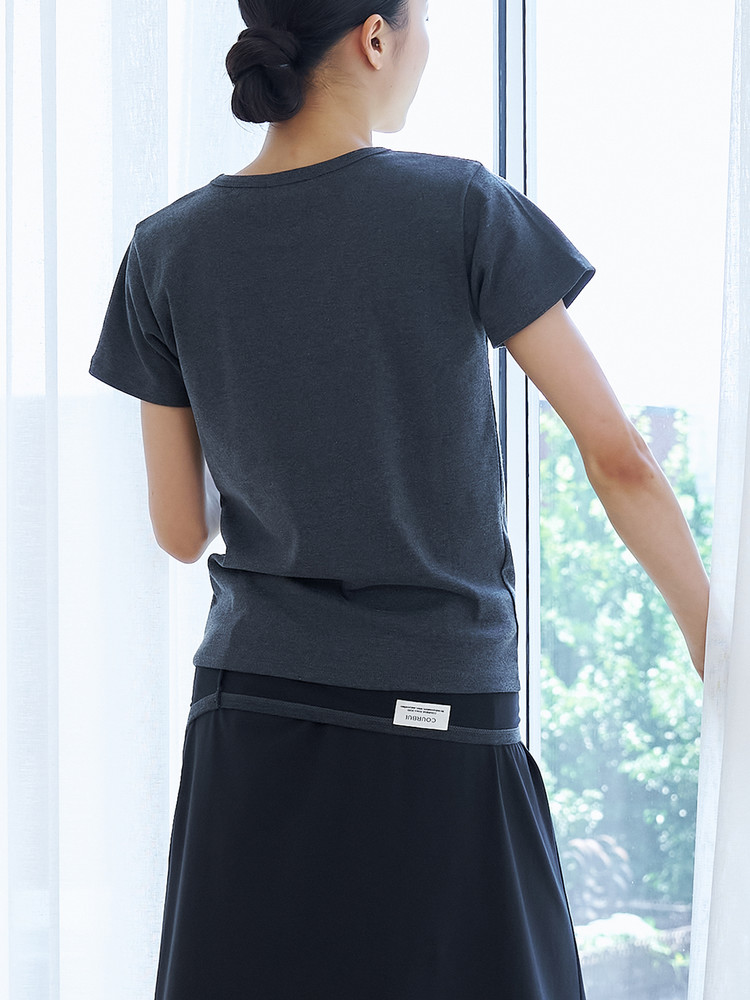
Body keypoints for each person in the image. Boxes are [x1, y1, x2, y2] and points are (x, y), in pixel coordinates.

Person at [88, 0, 710, 996]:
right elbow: (619, 455)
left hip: (249, 719)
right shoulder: (460, 207)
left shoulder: (165, 249)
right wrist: (713, 635)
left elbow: (177, 528)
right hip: (436, 718)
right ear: (376, 38)